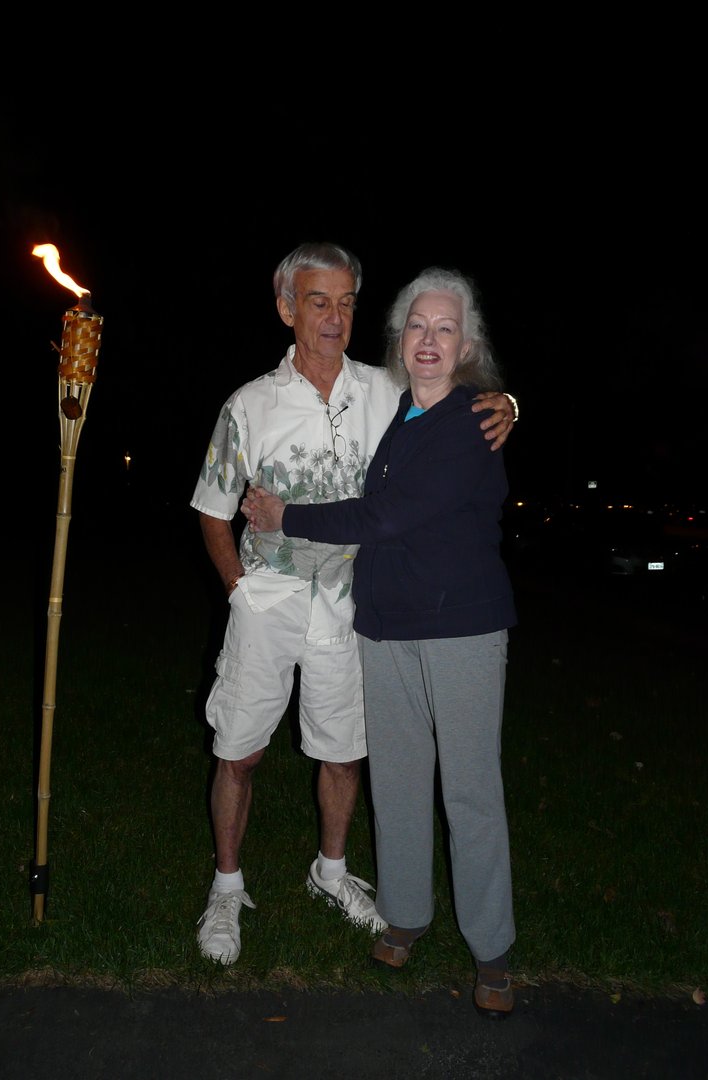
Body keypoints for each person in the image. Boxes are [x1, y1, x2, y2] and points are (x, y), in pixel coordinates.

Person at [191, 243, 517, 968]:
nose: (334, 317)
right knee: (239, 751)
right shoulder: (248, 405)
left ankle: (331, 872)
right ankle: (227, 887)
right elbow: (213, 510)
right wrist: (240, 592)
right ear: (287, 308)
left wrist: (506, 402)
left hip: (347, 609)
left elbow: (452, 396)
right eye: (318, 301)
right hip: (267, 604)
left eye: (346, 303)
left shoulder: (384, 389)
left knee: (343, 754)